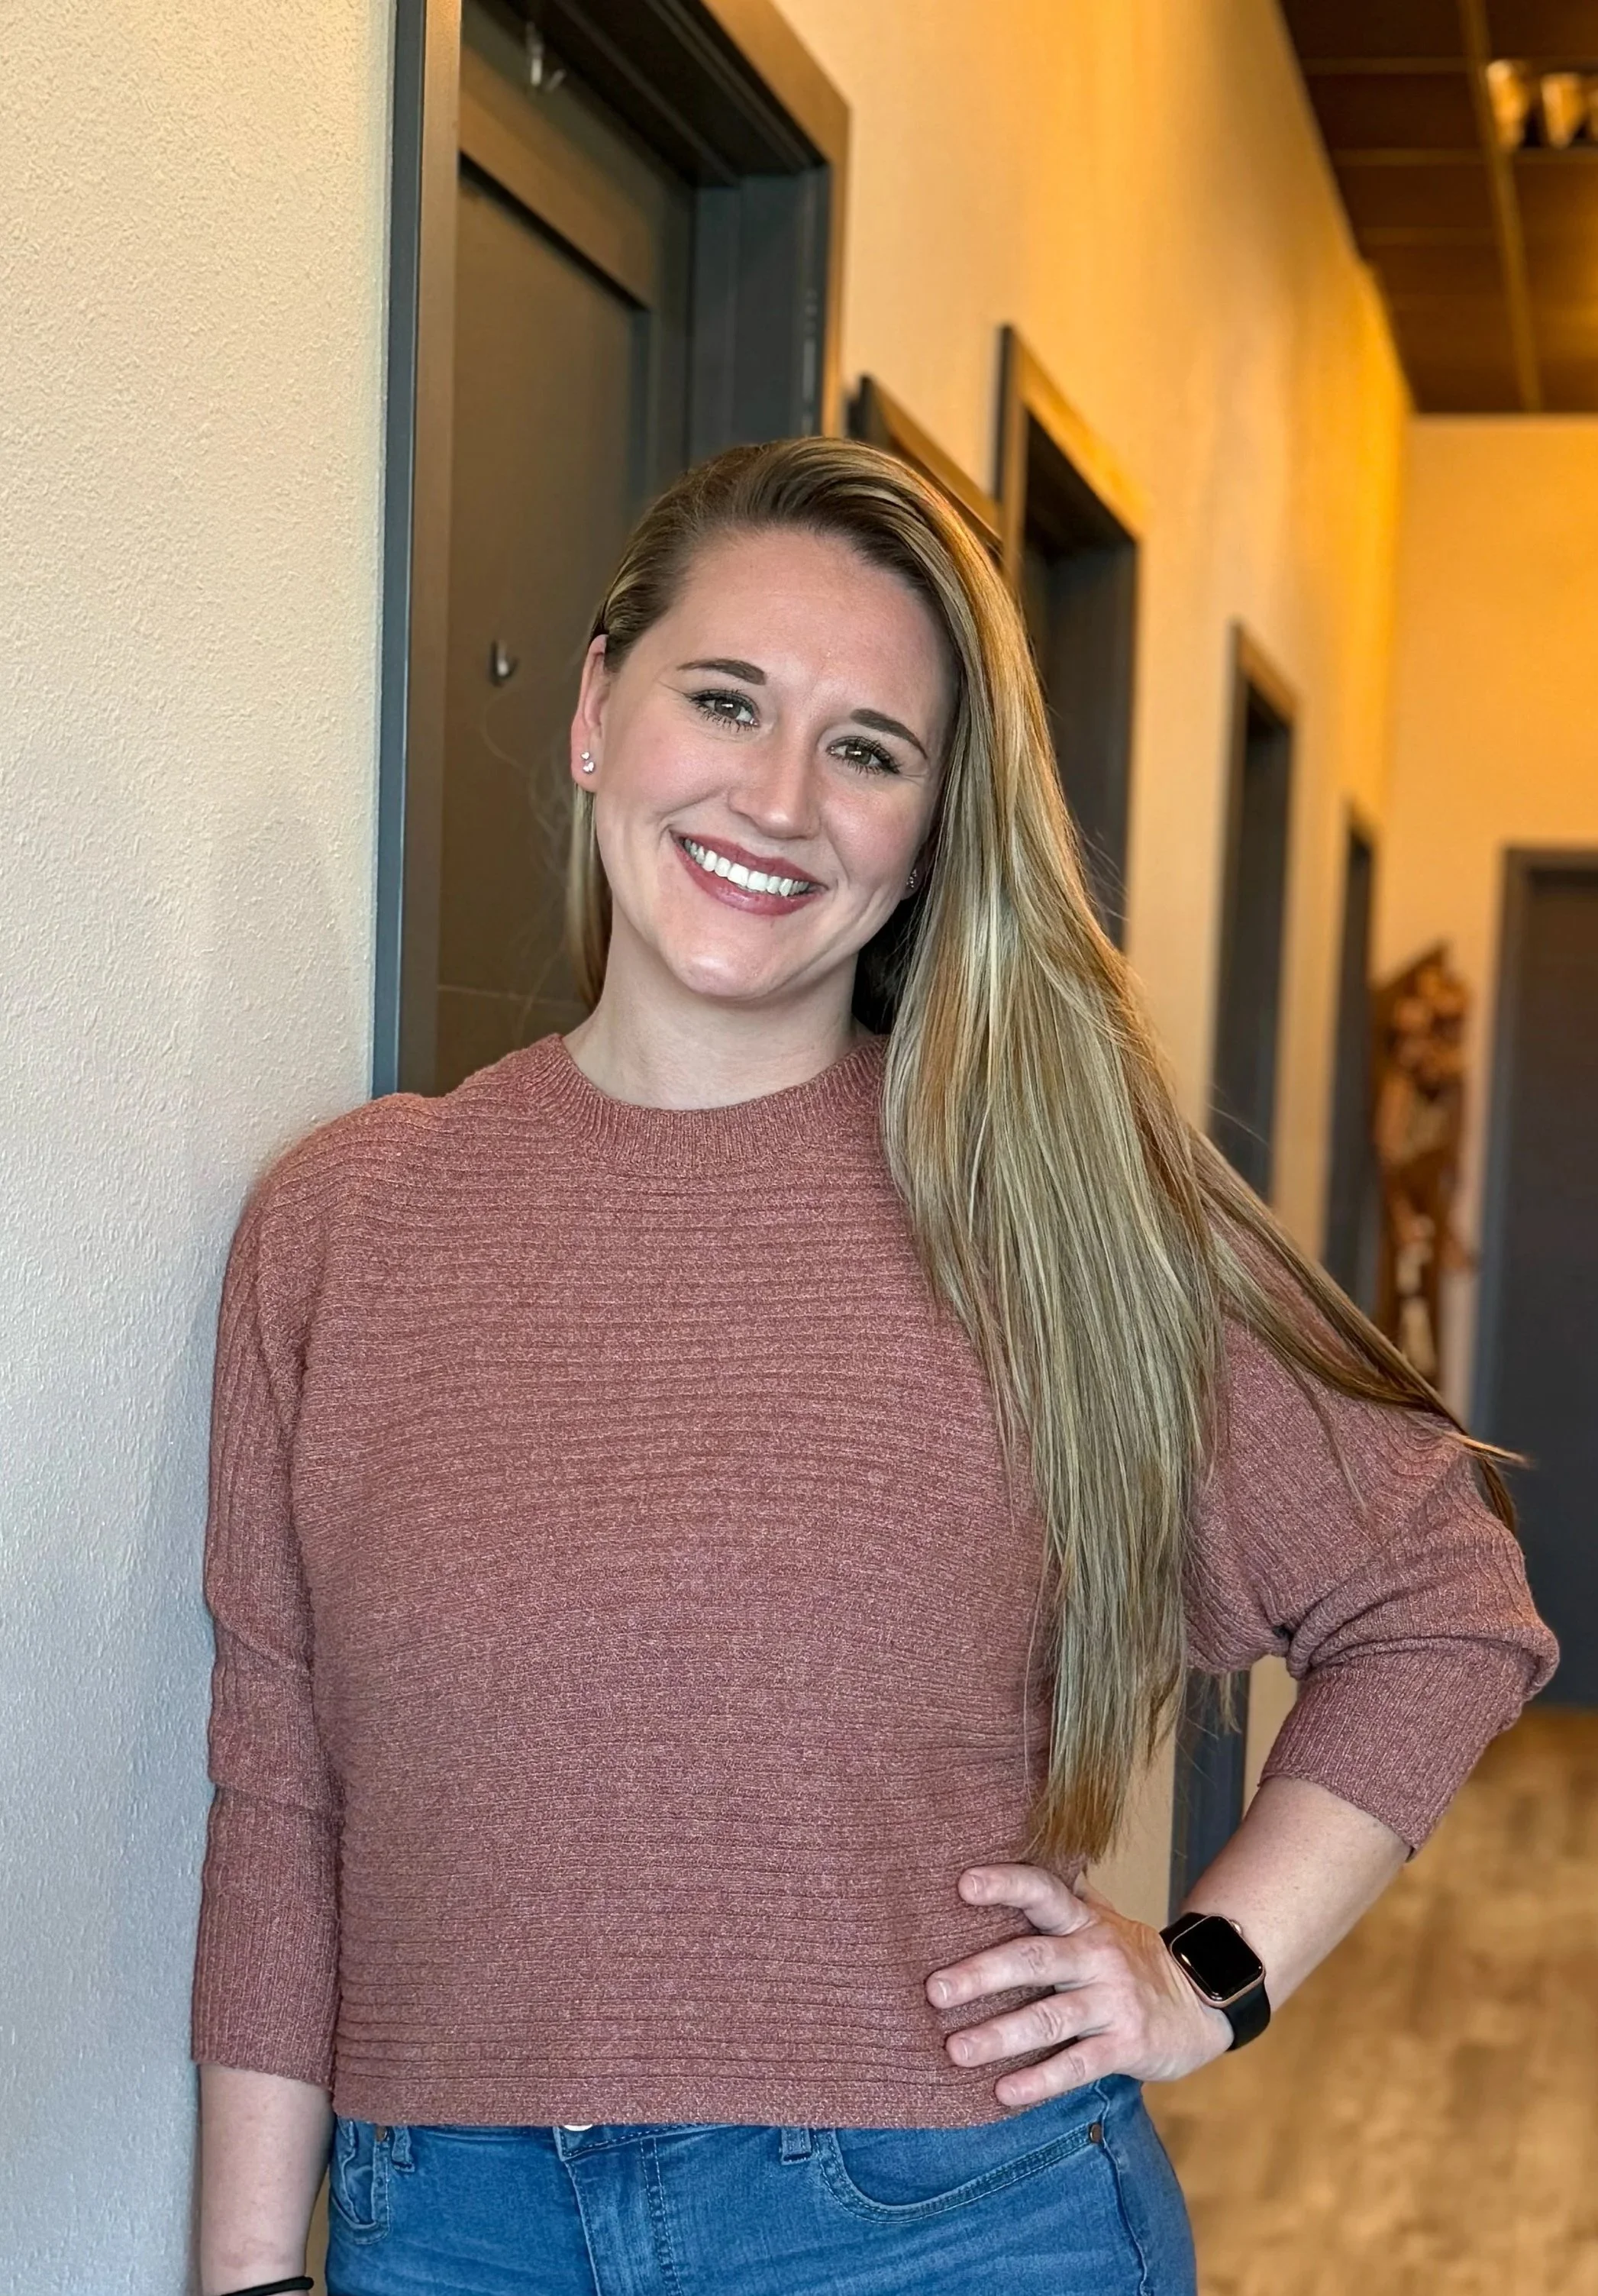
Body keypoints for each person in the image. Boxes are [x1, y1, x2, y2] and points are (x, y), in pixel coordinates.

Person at [191, 438, 1556, 2296]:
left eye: (866, 749)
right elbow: (280, 1787)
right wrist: (251, 2271)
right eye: (725, 699)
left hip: (938, 2228)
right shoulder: (343, 1225)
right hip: (441, 2225)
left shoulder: (1041, 1214)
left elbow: (1438, 1599)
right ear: (599, 712)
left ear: (924, 833)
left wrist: (1207, 1974)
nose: (776, 795)